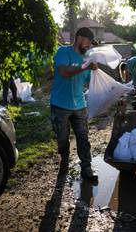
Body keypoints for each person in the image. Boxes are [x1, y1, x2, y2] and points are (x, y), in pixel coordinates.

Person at [50, 27, 98, 181]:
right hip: (60, 106)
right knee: (63, 138)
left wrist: (98, 75)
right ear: (79, 38)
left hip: (79, 105)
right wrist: (84, 67)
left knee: (83, 138)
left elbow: (89, 82)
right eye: (88, 41)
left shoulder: (86, 60)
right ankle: (64, 161)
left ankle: (86, 168)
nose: (89, 45)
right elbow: (64, 72)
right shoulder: (63, 52)